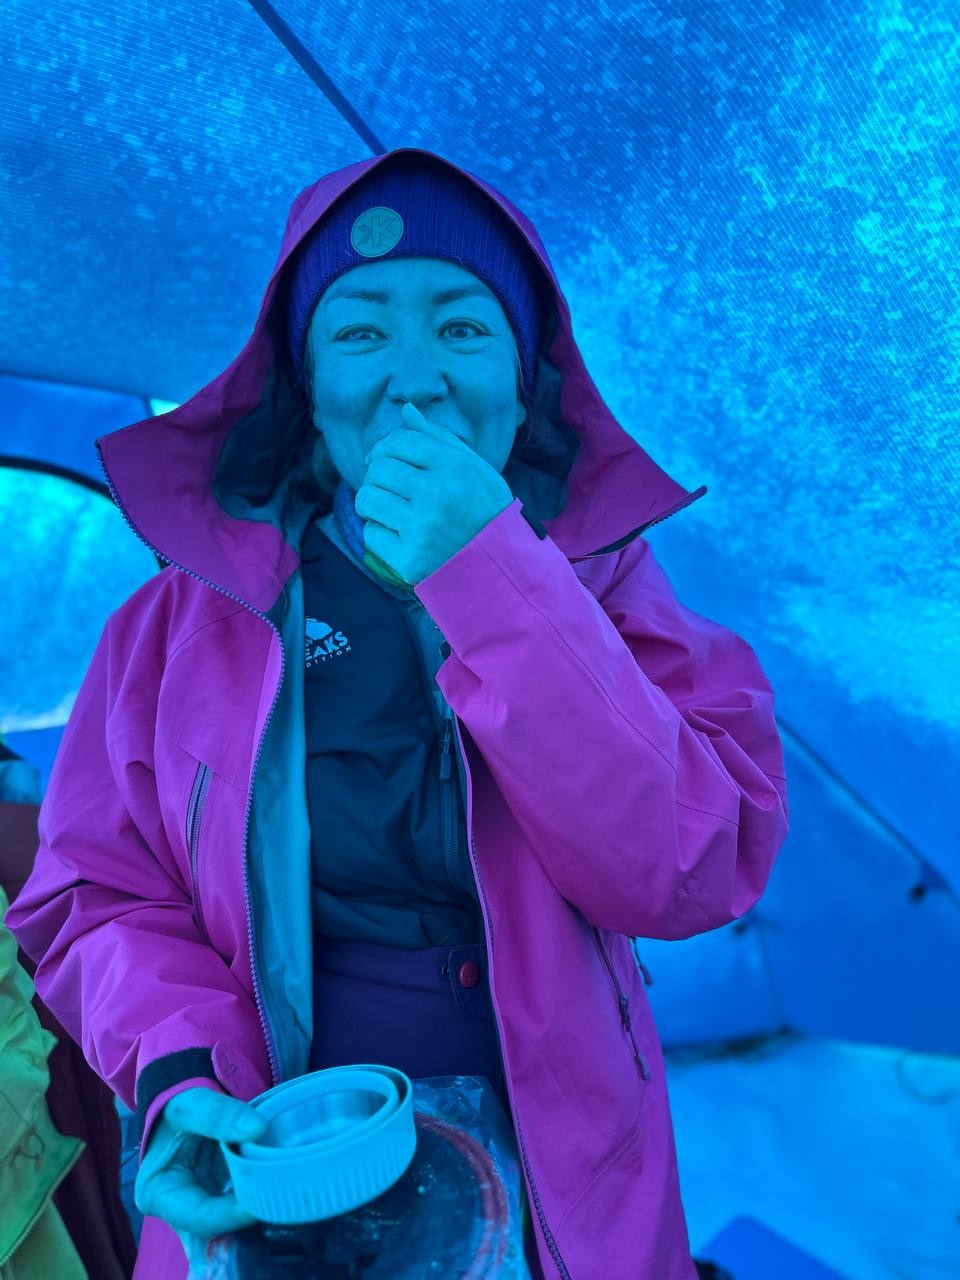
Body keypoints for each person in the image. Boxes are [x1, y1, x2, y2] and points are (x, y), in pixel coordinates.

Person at [4, 147, 790, 1279]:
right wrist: (181, 1074)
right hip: (275, 1148)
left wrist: (494, 575)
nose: (414, 381)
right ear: (305, 385)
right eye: (361, 332)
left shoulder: (610, 585)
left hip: (564, 1172)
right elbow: (97, 892)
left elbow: (688, 866)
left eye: (463, 328)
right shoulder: (178, 623)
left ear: (524, 380)